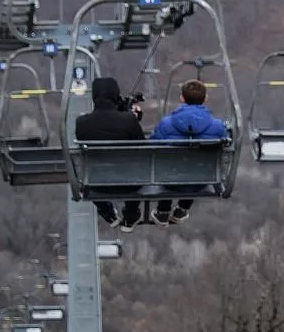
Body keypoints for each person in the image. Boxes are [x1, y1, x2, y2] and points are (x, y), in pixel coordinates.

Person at [149, 79, 228, 225]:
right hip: (202, 179)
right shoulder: (217, 127)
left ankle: (164, 210)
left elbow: (153, 147)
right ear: (205, 99)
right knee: (195, 164)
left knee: (169, 162)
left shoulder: (166, 124)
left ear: (182, 98)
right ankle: (182, 208)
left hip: (170, 179)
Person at [74, 77, 145, 232]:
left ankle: (106, 211)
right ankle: (131, 213)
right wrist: (133, 119)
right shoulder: (128, 121)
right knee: (138, 167)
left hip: (97, 184)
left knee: (88, 169)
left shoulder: (81, 123)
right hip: (129, 184)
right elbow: (141, 148)